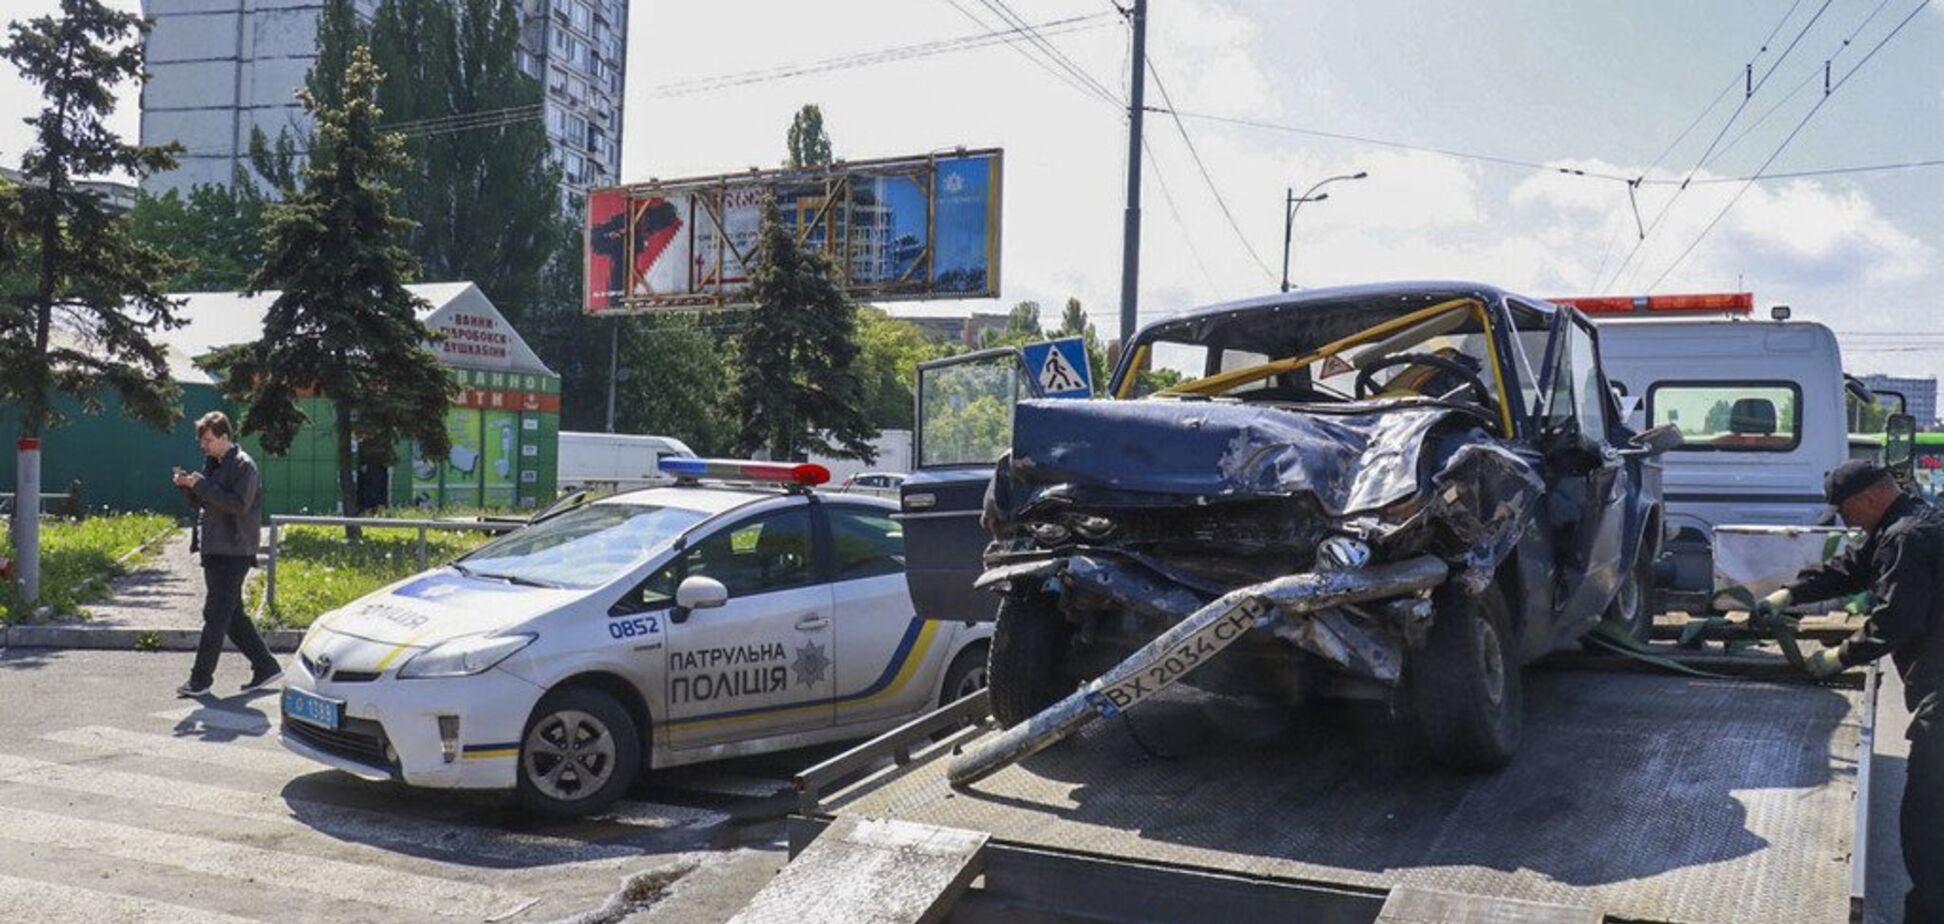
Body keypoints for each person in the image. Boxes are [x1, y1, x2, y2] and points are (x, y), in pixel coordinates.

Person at [1755, 459, 1944, 923]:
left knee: (1927, 817)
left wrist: (1837, 657)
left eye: (1843, 512)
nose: (1843, 522)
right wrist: (1787, 596)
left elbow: (1896, 622)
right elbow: (1851, 569)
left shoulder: (1907, 538)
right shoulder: (1905, 523)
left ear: (1869, 499)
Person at [171, 411, 283, 697]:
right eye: (202, 441)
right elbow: (206, 502)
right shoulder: (215, 463)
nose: (203, 446)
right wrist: (188, 487)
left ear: (224, 437)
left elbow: (238, 505)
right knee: (232, 616)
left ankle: (200, 681)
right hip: (215, 548)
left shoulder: (244, 466)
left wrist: (201, 485)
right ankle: (266, 666)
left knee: (215, 614)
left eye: (208, 440)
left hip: (234, 551)